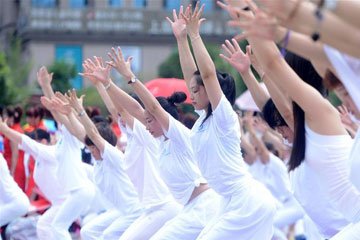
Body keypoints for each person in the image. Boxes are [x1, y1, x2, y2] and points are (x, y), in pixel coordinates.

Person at [229, 1, 360, 238]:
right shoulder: (310, 121)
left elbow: (275, 64)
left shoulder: (321, 114)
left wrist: (249, 13)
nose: (348, 104)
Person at [166, 3, 276, 239]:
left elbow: (206, 75)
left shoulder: (224, 117)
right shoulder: (202, 120)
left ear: (212, 91)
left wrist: (195, 35)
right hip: (227, 201)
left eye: (197, 91)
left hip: (247, 202)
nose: (191, 94)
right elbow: (194, 77)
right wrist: (181, 39)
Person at [104, 45, 220, 239]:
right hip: (189, 208)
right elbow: (133, 108)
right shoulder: (160, 141)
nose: (146, 125)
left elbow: (153, 107)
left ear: (163, 119)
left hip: (205, 206)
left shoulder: (179, 136)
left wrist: (129, 77)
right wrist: (107, 84)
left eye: (150, 121)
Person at [78, 56, 181, 240]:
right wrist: (100, 85)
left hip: (162, 206)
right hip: (150, 207)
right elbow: (116, 110)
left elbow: (124, 110)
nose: (120, 118)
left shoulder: (145, 134)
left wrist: (108, 83)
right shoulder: (134, 136)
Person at [2, 105, 26, 191]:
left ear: (11, 118)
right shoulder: (15, 129)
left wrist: (11, 172)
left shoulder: (13, 132)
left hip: (14, 167)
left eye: (5, 116)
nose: (3, 118)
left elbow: (15, 154)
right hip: (13, 165)